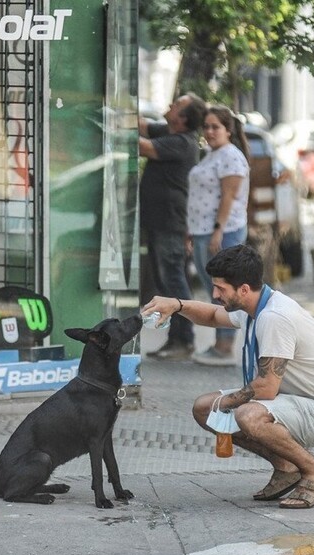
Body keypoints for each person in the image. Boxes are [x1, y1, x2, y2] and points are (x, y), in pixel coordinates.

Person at [142, 244, 314, 509]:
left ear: (244, 289)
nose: (215, 294)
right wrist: (177, 304)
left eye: (220, 289)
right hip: (292, 402)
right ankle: (286, 466)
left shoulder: (275, 317)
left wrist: (226, 405)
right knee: (204, 409)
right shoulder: (255, 304)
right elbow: (213, 315)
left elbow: (266, 388)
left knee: (247, 415)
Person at [139, 92, 207, 360]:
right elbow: (142, 126)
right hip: (159, 221)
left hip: (170, 222)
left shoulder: (182, 142)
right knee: (166, 280)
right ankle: (176, 338)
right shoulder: (168, 130)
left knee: (173, 280)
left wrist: (115, 129)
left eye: (177, 105)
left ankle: (184, 338)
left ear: (184, 119)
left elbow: (143, 146)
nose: (170, 105)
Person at [187, 105, 250, 366]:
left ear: (228, 130)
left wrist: (218, 231)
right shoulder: (211, 155)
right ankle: (218, 342)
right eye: (207, 126)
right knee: (213, 288)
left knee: (224, 287)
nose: (210, 131)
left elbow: (229, 196)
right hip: (201, 229)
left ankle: (225, 345)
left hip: (222, 231)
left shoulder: (231, 157)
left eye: (216, 127)